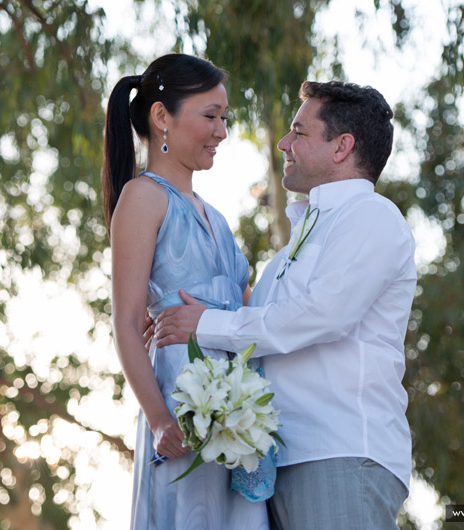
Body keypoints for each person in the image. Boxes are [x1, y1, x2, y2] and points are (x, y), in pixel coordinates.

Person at [154, 80, 417, 530]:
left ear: (342, 147)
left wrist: (206, 324)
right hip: (280, 465)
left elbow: (323, 315)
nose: (283, 144)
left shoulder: (372, 217)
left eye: (299, 131)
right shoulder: (284, 257)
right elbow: (259, 329)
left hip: (341, 453)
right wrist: (171, 318)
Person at [103, 53, 269, 530]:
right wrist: (159, 420)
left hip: (241, 420)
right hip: (181, 410)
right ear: (162, 118)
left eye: (225, 118)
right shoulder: (143, 198)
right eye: (211, 116)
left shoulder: (217, 217)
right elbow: (128, 323)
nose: (222, 131)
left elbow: (248, 308)